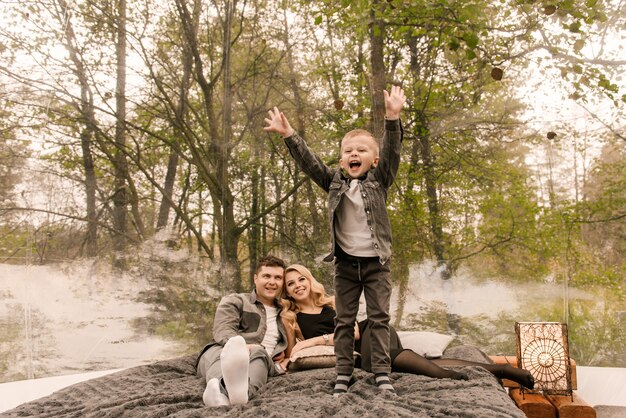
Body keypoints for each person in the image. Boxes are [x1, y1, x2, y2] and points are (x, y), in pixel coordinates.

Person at [264, 85, 406, 396]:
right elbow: (310, 163)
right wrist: (289, 135)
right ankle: (343, 374)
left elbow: (393, 151)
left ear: (375, 159)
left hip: (376, 265)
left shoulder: (380, 181)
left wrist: (392, 117)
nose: (354, 154)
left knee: (379, 319)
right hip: (345, 266)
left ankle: (382, 374)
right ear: (342, 161)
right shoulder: (333, 183)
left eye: (361, 150)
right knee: (344, 321)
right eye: (348, 151)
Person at [280, 264, 535, 390]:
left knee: (375, 363)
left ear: (310, 281)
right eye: (291, 284)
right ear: (288, 292)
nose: (298, 285)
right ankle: (498, 368)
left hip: (371, 330)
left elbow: (354, 331)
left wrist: (313, 341)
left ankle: (447, 377)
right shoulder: (290, 317)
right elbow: (294, 354)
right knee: (385, 360)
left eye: (301, 279)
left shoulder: (333, 304)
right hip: (360, 352)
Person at [196, 255, 290, 407]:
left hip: (260, 357)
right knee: (224, 354)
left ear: (282, 282)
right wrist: (240, 346)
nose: (272, 282)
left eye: (278, 278)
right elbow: (223, 330)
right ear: (255, 278)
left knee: (260, 353)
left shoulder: (287, 312)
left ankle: (231, 395)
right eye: (266, 276)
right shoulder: (235, 301)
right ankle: (224, 391)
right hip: (222, 349)